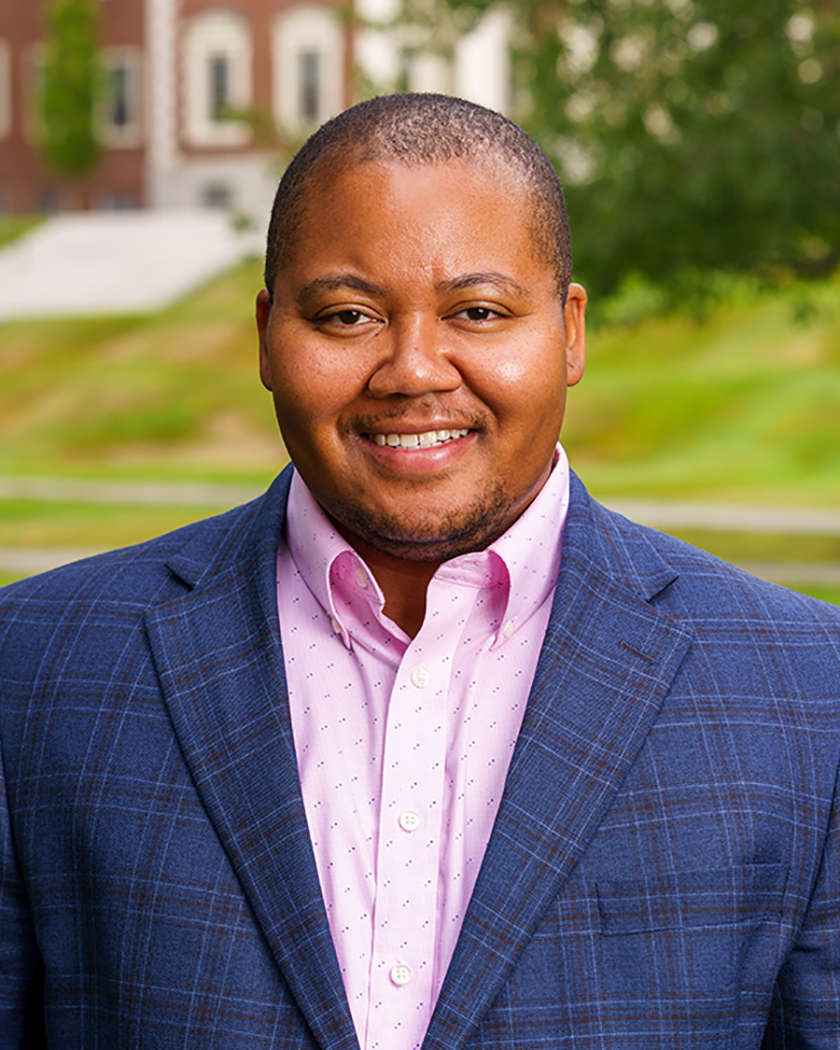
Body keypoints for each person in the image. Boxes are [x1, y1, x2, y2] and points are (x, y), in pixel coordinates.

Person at [1, 93, 839, 1050]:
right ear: (268, 335)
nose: (412, 369)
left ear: (569, 333)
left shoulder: (811, 693)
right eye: (348, 315)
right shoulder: (33, 668)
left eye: (477, 311)